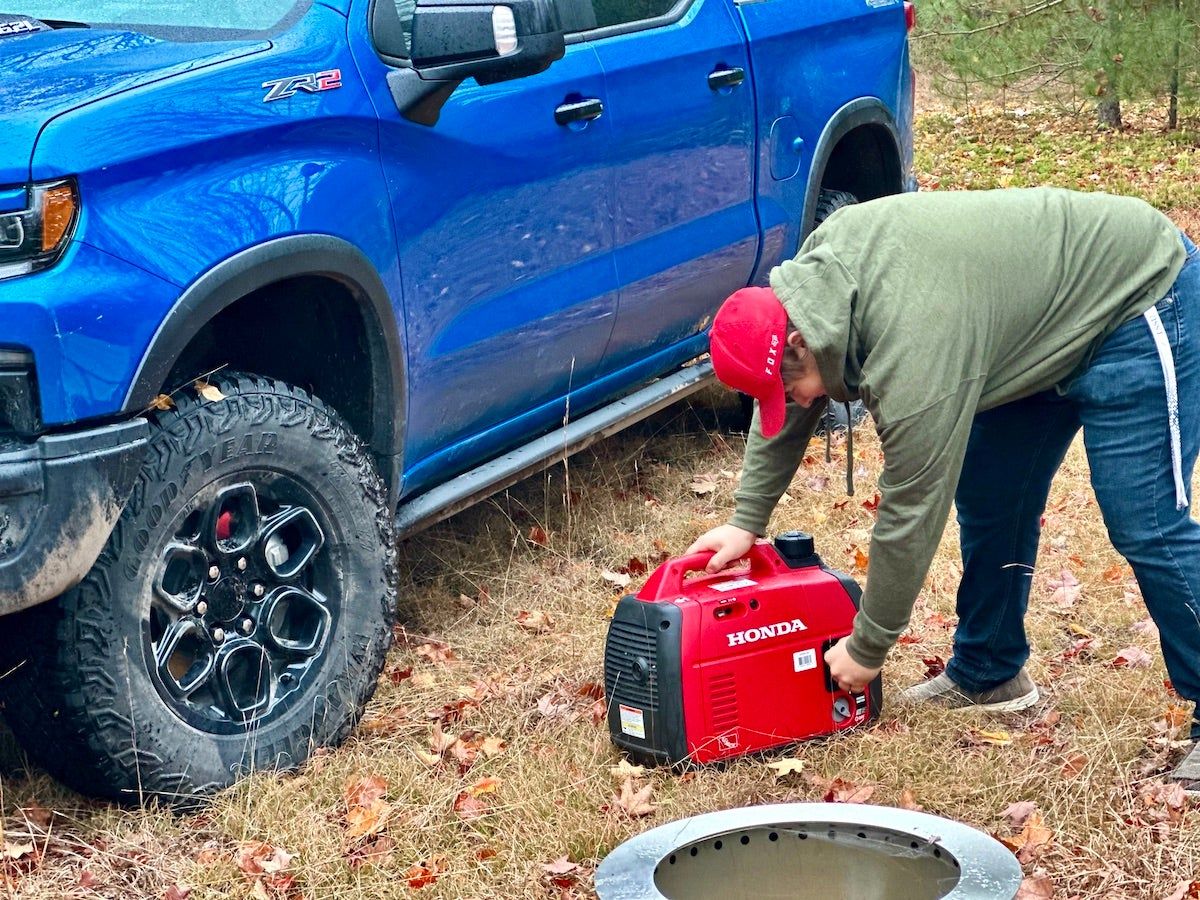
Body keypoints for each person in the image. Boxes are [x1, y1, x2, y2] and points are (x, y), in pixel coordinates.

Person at [686, 187, 1200, 787]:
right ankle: (990, 671)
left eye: (788, 390)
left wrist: (867, 646)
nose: (797, 406)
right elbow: (788, 401)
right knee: (992, 498)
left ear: (799, 343)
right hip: (1026, 326)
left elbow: (911, 509)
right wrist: (746, 520)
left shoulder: (912, 349)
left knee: (1146, 522)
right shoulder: (810, 294)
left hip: (1134, 297)